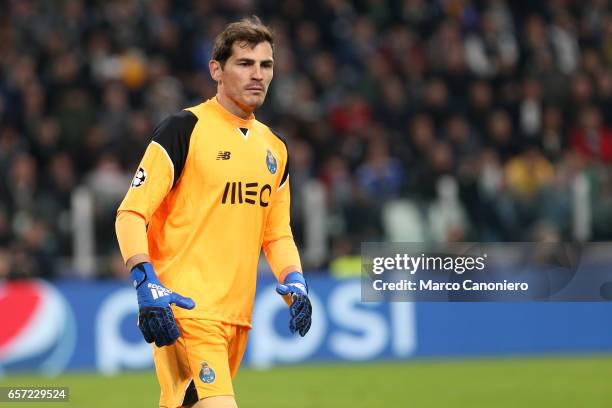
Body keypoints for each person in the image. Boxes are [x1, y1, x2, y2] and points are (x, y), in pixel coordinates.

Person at [115, 16, 312, 408]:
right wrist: (144, 280)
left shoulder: (275, 148)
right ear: (216, 70)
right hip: (186, 310)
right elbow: (131, 213)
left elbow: (276, 233)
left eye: (265, 65)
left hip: (236, 317)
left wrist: (296, 280)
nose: (257, 75)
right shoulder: (184, 129)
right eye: (245, 63)